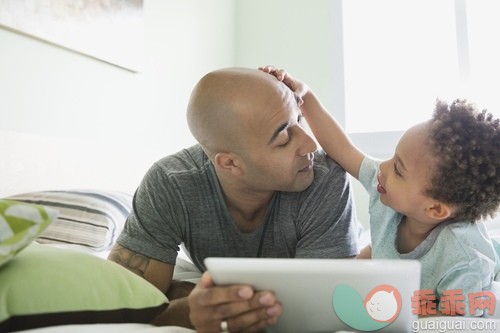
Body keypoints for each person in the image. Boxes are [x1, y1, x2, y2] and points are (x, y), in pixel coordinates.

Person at [108, 67, 361, 332]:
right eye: (285, 137)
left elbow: (326, 306)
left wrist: (180, 294)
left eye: (299, 119)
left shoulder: (325, 177)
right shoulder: (171, 184)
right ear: (230, 163)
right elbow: (122, 308)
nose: (311, 145)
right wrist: (187, 311)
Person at [260, 66, 500, 317]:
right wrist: (305, 96)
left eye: (398, 169)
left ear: (435, 209)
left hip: (464, 279)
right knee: (348, 274)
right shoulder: (388, 190)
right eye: (392, 158)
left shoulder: (465, 260)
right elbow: (342, 149)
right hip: (390, 258)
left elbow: (455, 321)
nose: (381, 168)